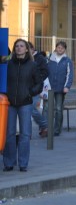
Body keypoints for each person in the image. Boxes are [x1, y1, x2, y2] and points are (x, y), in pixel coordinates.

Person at [3, 39, 44, 172]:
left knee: (25, 134)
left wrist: (30, 93)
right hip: (10, 103)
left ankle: (23, 163)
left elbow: (39, 84)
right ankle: (9, 162)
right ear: (14, 49)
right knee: (9, 134)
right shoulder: (9, 64)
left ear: (27, 49)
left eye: (21, 46)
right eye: (17, 46)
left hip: (25, 103)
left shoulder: (32, 65)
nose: (19, 48)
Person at [47, 41, 74, 136]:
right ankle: (45, 128)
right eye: (58, 47)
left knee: (58, 109)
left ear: (65, 49)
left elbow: (70, 75)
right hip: (49, 88)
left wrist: (67, 86)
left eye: (62, 48)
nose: (60, 49)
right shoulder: (50, 59)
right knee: (46, 108)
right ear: (56, 48)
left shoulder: (67, 61)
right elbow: (45, 73)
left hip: (60, 89)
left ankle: (57, 129)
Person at [28, 42, 49, 138]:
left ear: (32, 49)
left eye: (28, 49)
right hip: (25, 88)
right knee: (26, 110)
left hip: (35, 88)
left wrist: (37, 81)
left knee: (31, 109)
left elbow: (46, 71)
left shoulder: (40, 58)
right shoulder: (24, 58)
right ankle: (27, 133)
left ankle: (44, 124)